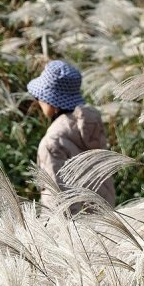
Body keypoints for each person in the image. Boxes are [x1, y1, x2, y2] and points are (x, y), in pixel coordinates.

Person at [27, 60, 116, 208]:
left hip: (72, 221)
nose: (38, 100)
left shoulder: (52, 142)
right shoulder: (92, 125)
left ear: (52, 101)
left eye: (40, 96)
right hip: (105, 214)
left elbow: (56, 200)